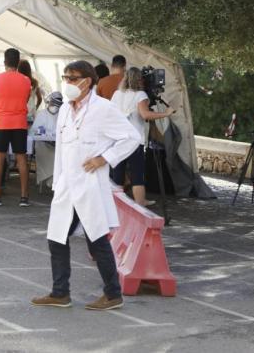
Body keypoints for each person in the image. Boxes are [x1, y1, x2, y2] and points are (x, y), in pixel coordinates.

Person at [31, 61, 141, 311]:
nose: (67, 82)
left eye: (72, 78)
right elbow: (61, 147)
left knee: (97, 239)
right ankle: (60, 293)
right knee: (56, 237)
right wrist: (57, 182)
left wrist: (104, 159)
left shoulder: (104, 109)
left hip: (90, 185)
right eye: (65, 77)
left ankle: (113, 294)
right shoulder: (65, 110)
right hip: (67, 186)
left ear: (87, 81)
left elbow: (132, 137)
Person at [110, 67, 176, 206]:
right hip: (134, 140)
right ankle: (140, 202)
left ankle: (116, 204)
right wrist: (166, 113)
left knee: (118, 173)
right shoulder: (140, 95)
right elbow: (145, 115)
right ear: (140, 79)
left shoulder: (116, 94)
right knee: (137, 173)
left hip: (117, 139)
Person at [0, 48, 32, 207]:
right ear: (18, 62)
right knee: (21, 158)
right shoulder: (26, 80)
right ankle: (24, 197)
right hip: (20, 123)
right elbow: (27, 98)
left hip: (2, 122)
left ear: (4, 62)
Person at [30, 91, 63, 190]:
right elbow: (33, 131)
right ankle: (51, 179)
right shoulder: (41, 114)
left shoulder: (62, 114)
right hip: (43, 144)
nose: (55, 106)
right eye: (53, 103)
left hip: (59, 145)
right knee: (46, 152)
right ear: (49, 102)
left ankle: (58, 181)